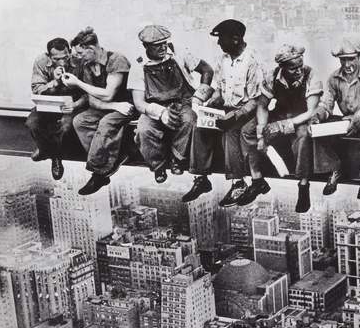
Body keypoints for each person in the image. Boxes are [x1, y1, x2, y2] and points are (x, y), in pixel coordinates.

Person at [184, 19, 269, 206]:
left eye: (222, 39)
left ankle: (238, 183)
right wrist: (212, 102)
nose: (219, 43)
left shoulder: (252, 62)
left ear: (236, 39)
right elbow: (220, 90)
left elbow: (256, 100)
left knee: (230, 133)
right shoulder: (223, 60)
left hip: (246, 112)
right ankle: (201, 178)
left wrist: (235, 116)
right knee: (199, 128)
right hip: (228, 109)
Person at [127, 25, 214, 185]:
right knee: (143, 130)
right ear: (146, 46)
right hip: (154, 107)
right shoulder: (139, 65)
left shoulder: (179, 52)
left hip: (182, 102)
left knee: (188, 120)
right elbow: (139, 103)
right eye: (157, 45)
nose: (163, 47)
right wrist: (161, 113)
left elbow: (207, 70)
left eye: (164, 43)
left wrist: (199, 96)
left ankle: (177, 158)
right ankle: (157, 165)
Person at [250, 44, 323, 213]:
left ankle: (303, 185)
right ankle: (256, 179)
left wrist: (282, 126)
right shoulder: (272, 77)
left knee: (303, 136)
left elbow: (310, 112)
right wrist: (262, 133)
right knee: (248, 130)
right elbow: (262, 106)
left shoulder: (312, 77)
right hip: (280, 114)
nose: (299, 71)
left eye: (300, 65)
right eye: (293, 68)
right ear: (282, 67)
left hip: (301, 118)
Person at [61, 27, 134, 195]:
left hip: (128, 105)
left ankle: (99, 173)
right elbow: (93, 101)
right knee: (80, 121)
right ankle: (109, 160)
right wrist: (113, 106)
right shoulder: (88, 65)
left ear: (91, 49)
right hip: (113, 106)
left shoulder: (116, 60)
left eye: (81, 53)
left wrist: (78, 83)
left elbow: (108, 94)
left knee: (106, 123)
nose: (79, 57)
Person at [309, 37, 360, 199]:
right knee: (317, 129)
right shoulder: (334, 78)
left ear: (359, 56)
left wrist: (359, 118)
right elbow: (326, 104)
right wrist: (317, 116)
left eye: (351, 59)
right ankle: (334, 169)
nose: (347, 64)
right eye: (343, 60)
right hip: (346, 121)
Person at [26, 37, 86, 180]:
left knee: (65, 127)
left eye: (65, 57)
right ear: (49, 56)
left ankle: (56, 158)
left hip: (72, 104)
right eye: (57, 59)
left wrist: (75, 105)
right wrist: (55, 82)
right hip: (47, 103)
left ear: (70, 52)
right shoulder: (41, 62)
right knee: (32, 123)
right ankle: (44, 149)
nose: (62, 62)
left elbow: (88, 92)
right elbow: (37, 89)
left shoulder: (80, 61)